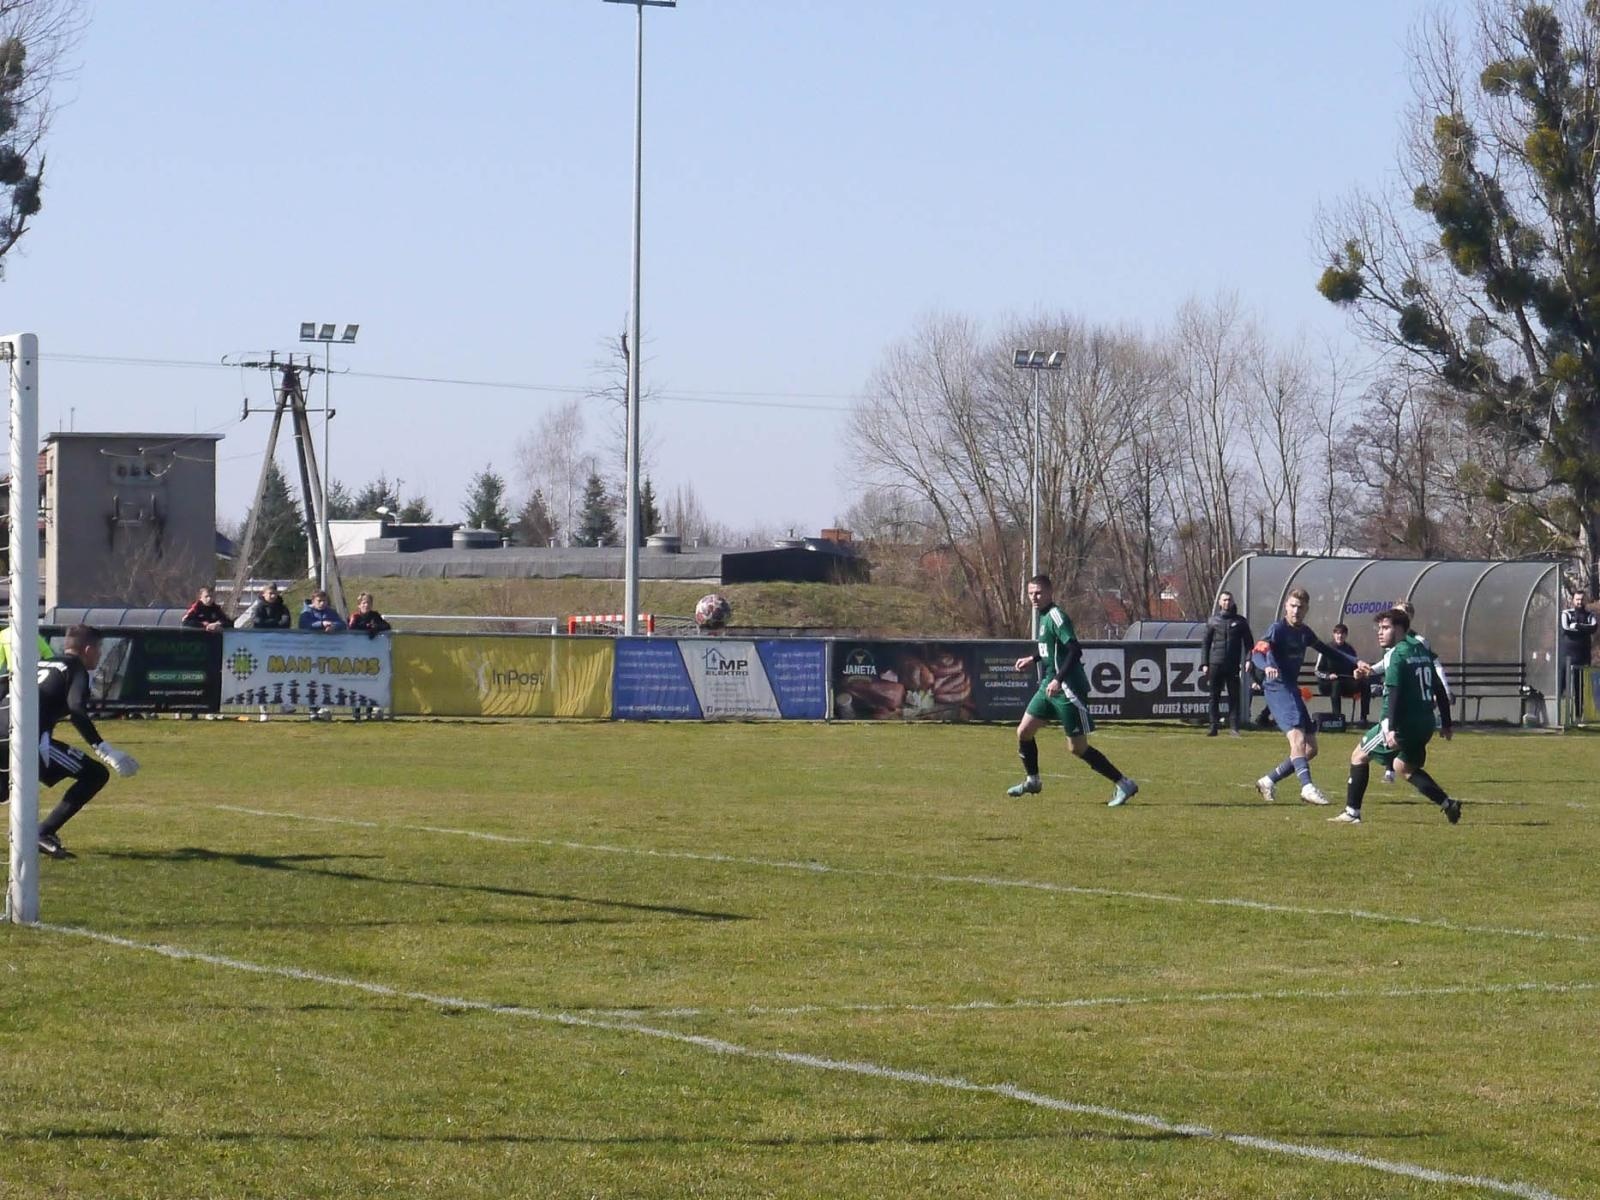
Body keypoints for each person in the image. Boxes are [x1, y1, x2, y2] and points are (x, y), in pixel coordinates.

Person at [0, 625, 140, 859]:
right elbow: (76, 709)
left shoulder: (41, 663)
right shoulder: (75, 668)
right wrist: (104, 749)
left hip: (3, 729)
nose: (99, 655)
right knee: (95, 774)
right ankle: (42, 832)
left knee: (3, 790)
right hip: (25, 737)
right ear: (87, 649)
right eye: (99, 649)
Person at [1006, 574, 1138, 807]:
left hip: (1067, 689)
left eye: (1038, 593)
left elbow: (1075, 650)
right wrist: (1033, 658)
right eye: (1030, 593)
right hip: (1048, 684)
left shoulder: (1056, 616)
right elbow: (1051, 649)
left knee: (1077, 748)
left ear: (1049, 593)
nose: (1034, 598)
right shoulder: (1043, 616)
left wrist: (1058, 679)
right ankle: (1033, 781)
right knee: (1023, 732)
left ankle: (1123, 783)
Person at [1330, 607, 1459, 825]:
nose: (1380, 632)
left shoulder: (1398, 655)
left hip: (1402, 725)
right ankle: (1448, 804)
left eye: (1386, 628)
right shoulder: (1420, 650)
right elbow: (1438, 688)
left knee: (1358, 756)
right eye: (1379, 628)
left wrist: (1388, 728)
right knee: (1404, 767)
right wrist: (1446, 722)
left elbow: (1394, 694)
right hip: (1426, 723)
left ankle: (1352, 813)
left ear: (1400, 629)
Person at [1252, 587, 1368, 806]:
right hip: (1277, 687)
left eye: (1300, 607)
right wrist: (1267, 666)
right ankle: (1307, 787)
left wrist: (1355, 661)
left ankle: (1268, 780)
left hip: (1291, 688)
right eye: (1292, 606)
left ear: (1306, 609)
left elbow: (1328, 650)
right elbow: (1257, 652)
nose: (1296, 610)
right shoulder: (1277, 629)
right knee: (1297, 738)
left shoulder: (1304, 632)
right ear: (1286, 606)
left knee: (1311, 748)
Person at [1199, 590, 1252, 736]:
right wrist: (1205, 663)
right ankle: (1213, 726)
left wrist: (1248, 660)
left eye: (1229, 600)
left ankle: (1234, 728)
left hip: (1232, 664)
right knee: (1214, 696)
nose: (1226, 602)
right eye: (1224, 600)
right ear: (1220, 602)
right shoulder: (1213, 621)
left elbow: (1249, 644)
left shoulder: (1240, 621)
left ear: (1233, 602)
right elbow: (1206, 643)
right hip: (1216, 663)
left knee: (1234, 696)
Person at [1314, 623, 1370, 724]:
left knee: (1365, 684)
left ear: (1346, 635)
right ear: (1334, 634)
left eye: (1342, 634)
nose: (1340, 636)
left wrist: (1357, 672)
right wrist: (1328, 676)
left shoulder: (1349, 650)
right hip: (1328, 684)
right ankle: (1337, 718)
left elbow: (1354, 667)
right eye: (1337, 633)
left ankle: (1363, 718)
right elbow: (1317, 671)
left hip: (1346, 683)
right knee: (1336, 683)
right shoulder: (1326, 649)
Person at [1560, 587, 1596, 724]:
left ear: (1585, 600)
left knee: (1579, 688)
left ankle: (1578, 716)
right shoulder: (1566, 613)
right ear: (1573, 600)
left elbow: (1593, 628)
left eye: (1581, 599)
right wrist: (1583, 628)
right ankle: (1559, 717)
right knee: (1561, 686)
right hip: (1566, 656)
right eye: (1577, 599)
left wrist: (1578, 626)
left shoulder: (1589, 615)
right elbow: (1566, 628)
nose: (1579, 602)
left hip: (1583, 656)